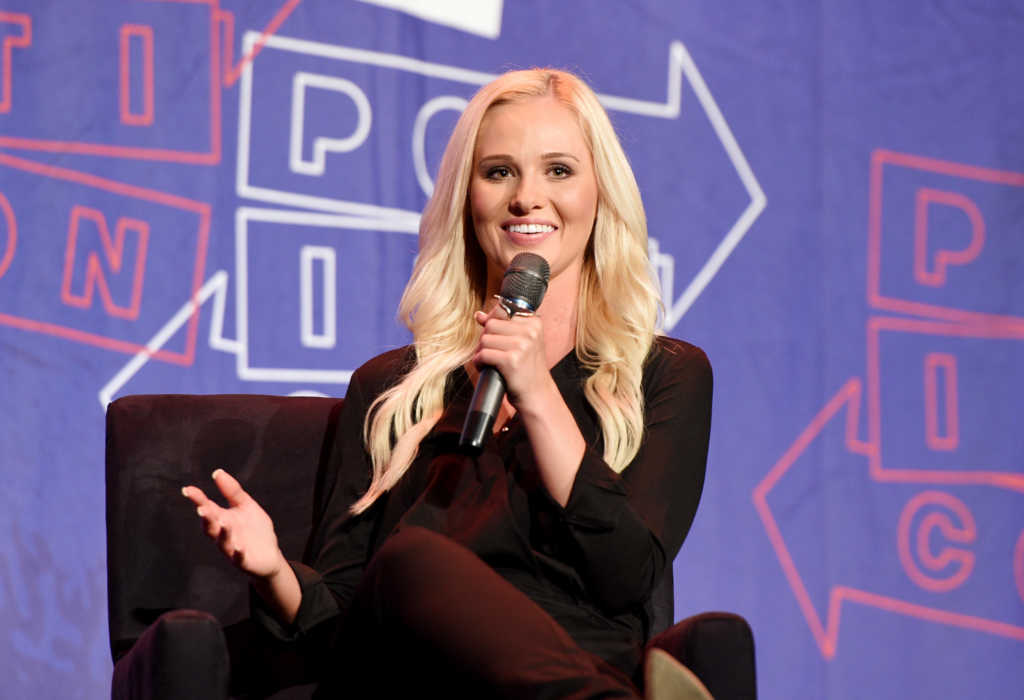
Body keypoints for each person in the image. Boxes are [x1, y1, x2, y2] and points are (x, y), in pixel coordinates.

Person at [183, 68, 713, 699]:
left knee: (715, 640)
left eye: (558, 170)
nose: (527, 197)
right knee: (411, 565)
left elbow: (628, 577)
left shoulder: (665, 375)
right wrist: (274, 572)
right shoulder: (391, 389)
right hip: (411, 676)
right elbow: (343, 614)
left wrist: (537, 392)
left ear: (601, 194)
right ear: (468, 198)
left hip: (578, 665)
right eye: (498, 172)